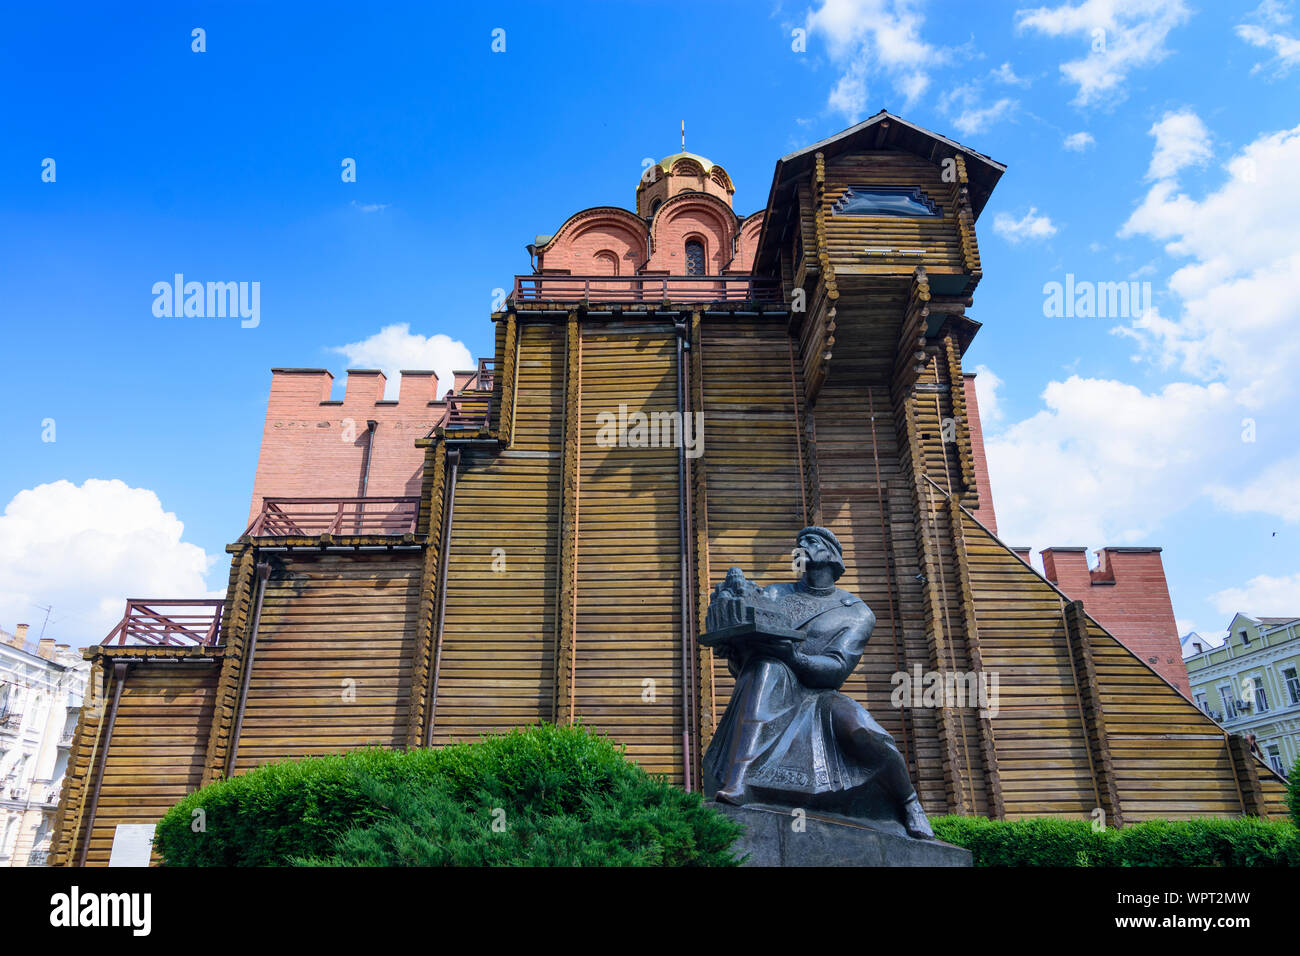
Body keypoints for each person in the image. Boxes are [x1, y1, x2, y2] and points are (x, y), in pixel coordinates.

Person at [701, 526, 933, 839]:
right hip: (771, 685)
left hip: (820, 694)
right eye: (798, 543)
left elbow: (837, 668)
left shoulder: (856, 613)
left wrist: (794, 657)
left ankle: (908, 801)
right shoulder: (773, 594)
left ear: (831, 553)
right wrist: (734, 650)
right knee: (767, 668)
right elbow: (745, 662)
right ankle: (739, 778)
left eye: (810, 542)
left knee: (861, 729)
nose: (801, 547)